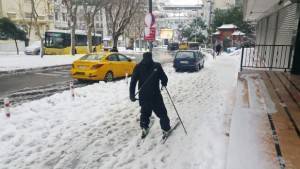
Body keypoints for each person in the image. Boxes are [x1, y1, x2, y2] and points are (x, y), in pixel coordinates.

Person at [129, 52, 171, 138]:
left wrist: (132, 95)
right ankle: (166, 129)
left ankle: (144, 127)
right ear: (151, 57)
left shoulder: (138, 67)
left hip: (143, 96)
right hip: (155, 95)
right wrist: (164, 83)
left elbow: (133, 82)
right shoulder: (157, 66)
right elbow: (164, 78)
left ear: (143, 58)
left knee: (145, 113)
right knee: (162, 113)